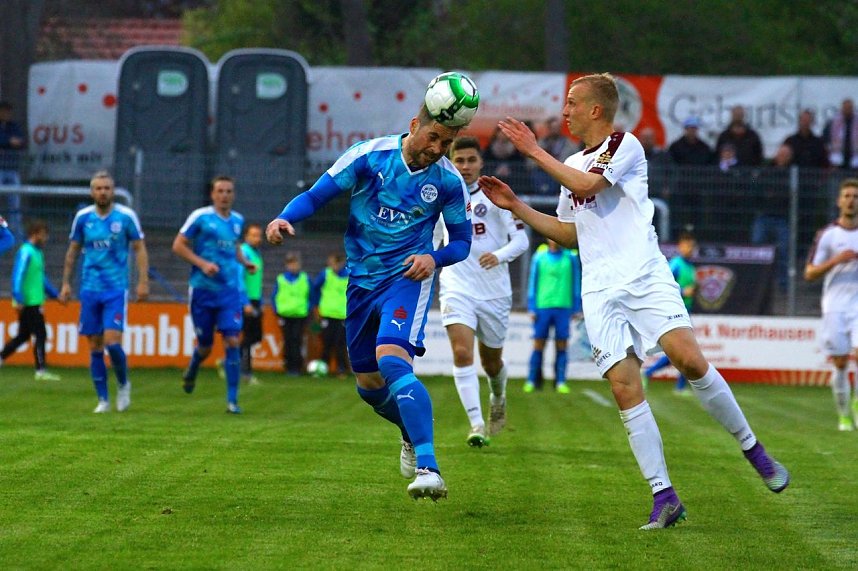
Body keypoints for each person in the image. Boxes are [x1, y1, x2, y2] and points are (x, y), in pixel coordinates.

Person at [479, 72, 790, 529]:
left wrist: (532, 150)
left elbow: (589, 187)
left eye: (571, 103)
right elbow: (570, 235)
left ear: (596, 110)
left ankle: (753, 449)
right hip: (599, 289)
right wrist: (517, 207)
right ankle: (664, 495)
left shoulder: (624, 145)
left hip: (643, 274)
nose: (564, 111)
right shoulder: (570, 161)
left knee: (689, 361)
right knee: (625, 388)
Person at [265, 99, 473, 501]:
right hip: (360, 282)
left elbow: (462, 242)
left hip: (406, 279)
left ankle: (430, 468)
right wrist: (285, 217)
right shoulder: (367, 157)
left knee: (392, 360)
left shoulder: (447, 181)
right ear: (415, 125)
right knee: (368, 385)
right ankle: (409, 435)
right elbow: (315, 195)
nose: (437, 149)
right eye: (433, 137)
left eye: (445, 143)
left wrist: (434, 256)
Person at [435, 136, 528, 447]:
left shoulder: (496, 197)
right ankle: (476, 424)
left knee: (491, 363)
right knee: (462, 353)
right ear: (450, 162)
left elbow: (521, 241)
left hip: (494, 292)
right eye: (459, 161)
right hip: (456, 285)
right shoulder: (440, 196)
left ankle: (498, 395)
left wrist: (498, 255)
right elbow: (434, 240)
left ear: (480, 163)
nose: (465, 167)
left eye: (470, 160)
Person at [60, 170, 149, 413]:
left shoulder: (126, 216)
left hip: (115, 289)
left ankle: (123, 384)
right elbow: (73, 251)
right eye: (98, 188)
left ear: (113, 191)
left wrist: (143, 281)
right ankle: (103, 400)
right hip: (89, 289)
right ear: (92, 192)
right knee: (94, 345)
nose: (102, 192)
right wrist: (66, 283)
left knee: (112, 342)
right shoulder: (83, 218)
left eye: (106, 188)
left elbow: (140, 248)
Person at [173, 175, 257, 414]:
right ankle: (192, 368)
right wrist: (202, 264)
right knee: (205, 347)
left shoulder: (238, 220)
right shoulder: (200, 217)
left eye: (229, 191)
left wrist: (245, 261)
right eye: (220, 191)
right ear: (212, 194)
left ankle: (232, 401)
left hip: (229, 292)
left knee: (232, 341)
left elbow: (235, 246)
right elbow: (178, 245)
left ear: (234, 194)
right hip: (203, 291)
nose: (225, 195)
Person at [804, 179, 858, 431]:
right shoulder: (828, 235)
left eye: (855, 196)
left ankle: (856, 406)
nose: (851, 200)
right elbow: (809, 273)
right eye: (847, 195)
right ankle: (844, 414)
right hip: (835, 306)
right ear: (839, 201)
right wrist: (837, 260)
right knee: (840, 363)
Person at [0, 219, 61, 380]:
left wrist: (55, 295)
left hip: (33, 300)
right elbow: (18, 275)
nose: (46, 238)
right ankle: (41, 370)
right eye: (43, 235)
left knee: (23, 335)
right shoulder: (26, 251)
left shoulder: (37, 253)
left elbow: (41, 279)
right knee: (40, 333)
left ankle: (1, 357)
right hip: (28, 301)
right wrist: (18, 297)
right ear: (35, 234)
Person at [641, 231, 698, 395]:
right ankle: (652, 374)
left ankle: (668, 381)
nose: (690, 249)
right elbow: (663, 286)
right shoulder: (676, 264)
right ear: (680, 246)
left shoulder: (690, 267)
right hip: (674, 313)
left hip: (685, 311)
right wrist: (682, 291)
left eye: (692, 246)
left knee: (684, 351)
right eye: (687, 245)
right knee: (684, 351)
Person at [525, 239, 580, 395]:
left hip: (563, 306)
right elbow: (532, 281)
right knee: (538, 344)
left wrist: (576, 306)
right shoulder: (539, 257)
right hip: (543, 306)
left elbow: (576, 281)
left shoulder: (571, 257)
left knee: (562, 345)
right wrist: (532, 306)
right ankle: (532, 380)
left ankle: (560, 381)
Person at [751, 144, 793, 290]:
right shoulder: (766, 170)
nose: (782, 157)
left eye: (785, 155)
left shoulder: (791, 172)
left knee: (783, 251)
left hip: (782, 217)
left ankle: (783, 283)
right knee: (757, 247)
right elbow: (757, 188)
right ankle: (756, 281)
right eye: (780, 154)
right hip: (764, 215)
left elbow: (789, 195)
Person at [311, 252, 350, 376]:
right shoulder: (325, 274)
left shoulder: (349, 275)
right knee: (327, 342)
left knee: (340, 343)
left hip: (342, 315)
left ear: (340, 263)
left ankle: (342, 369)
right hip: (327, 314)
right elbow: (315, 288)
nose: (331, 266)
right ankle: (324, 368)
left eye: (333, 263)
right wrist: (316, 306)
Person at [272, 252, 310, 375]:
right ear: (286, 265)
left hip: (300, 314)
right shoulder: (281, 279)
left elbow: (312, 295)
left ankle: (297, 367)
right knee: (288, 341)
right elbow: (274, 296)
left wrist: (308, 308)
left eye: (295, 263)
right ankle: (288, 366)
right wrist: (276, 310)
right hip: (285, 314)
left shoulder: (305, 278)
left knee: (297, 340)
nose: (293, 266)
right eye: (291, 264)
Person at [239, 223, 264, 384]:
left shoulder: (255, 253)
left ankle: (232, 359)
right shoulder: (244, 252)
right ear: (246, 236)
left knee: (256, 336)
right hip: (246, 299)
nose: (257, 238)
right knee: (248, 336)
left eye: (259, 235)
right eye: (254, 235)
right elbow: (239, 277)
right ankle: (245, 373)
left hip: (255, 299)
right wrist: (245, 302)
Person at [0, 101, 25, 237]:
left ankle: (16, 233)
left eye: (8, 112)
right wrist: (9, 141)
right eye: (3, 111)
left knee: (14, 203)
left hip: (12, 168)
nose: (5, 114)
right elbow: (11, 141)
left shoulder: (14, 126)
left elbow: (21, 141)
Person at [823, 98, 858, 169]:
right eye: (846, 108)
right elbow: (825, 140)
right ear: (842, 108)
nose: (847, 110)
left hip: (855, 160)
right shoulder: (832, 123)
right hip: (837, 160)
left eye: (849, 108)